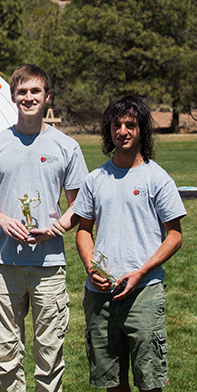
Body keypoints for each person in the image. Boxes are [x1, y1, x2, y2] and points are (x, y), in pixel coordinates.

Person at [0, 64, 88, 392]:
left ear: (47, 97)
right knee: (7, 356)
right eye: (22, 92)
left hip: (50, 267)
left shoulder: (66, 146)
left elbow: (80, 203)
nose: (28, 98)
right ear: (13, 96)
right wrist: (4, 220)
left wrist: (59, 226)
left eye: (35, 91)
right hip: (5, 265)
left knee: (49, 356)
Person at [73, 96, 186, 392]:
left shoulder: (157, 178)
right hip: (101, 296)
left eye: (130, 125)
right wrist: (90, 267)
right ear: (108, 130)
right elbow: (84, 230)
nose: (123, 131)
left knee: (150, 382)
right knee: (112, 382)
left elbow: (174, 235)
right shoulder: (95, 179)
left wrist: (142, 270)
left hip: (144, 294)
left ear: (141, 130)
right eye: (116, 125)